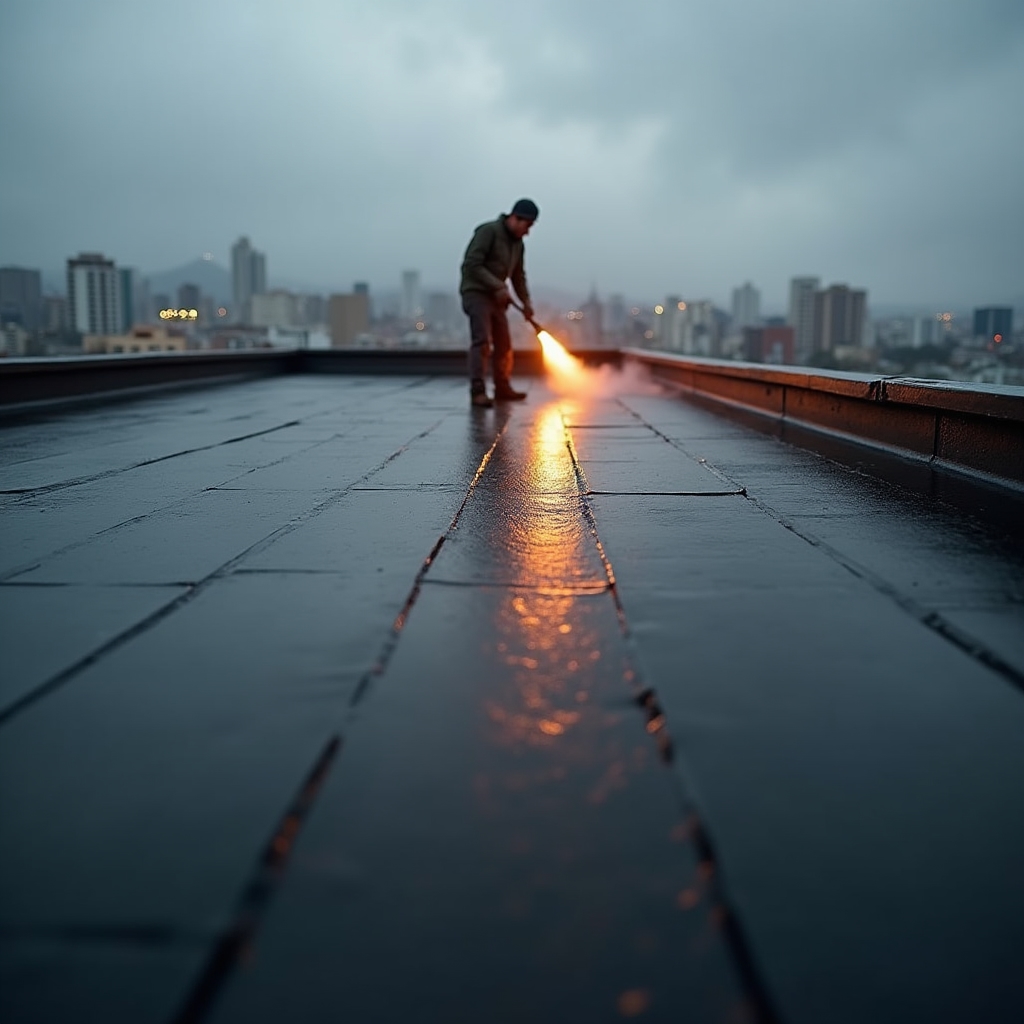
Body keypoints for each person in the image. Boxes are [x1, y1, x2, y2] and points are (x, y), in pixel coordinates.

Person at [459, 198, 538, 408]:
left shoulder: (518, 245)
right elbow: (471, 265)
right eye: (527, 225)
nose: (528, 232)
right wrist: (497, 285)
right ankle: (478, 391)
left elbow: (518, 276)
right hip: (476, 294)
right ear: (515, 218)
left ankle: (502, 388)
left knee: (504, 344)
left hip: (496, 299)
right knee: (482, 341)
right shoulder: (488, 232)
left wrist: (526, 302)